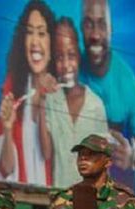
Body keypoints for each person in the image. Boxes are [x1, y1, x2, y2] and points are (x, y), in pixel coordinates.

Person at [79, 0, 135, 191]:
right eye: (88, 24)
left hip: (119, 190)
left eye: (102, 25)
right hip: (78, 186)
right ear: (81, 28)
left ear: (111, 30)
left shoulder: (126, 80)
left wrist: (132, 156)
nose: (95, 34)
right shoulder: (72, 67)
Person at [39, 16, 109, 187]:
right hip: (61, 197)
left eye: (71, 55)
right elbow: (46, 153)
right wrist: (41, 99)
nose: (66, 64)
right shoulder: (51, 101)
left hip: (90, 197)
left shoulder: (95, 105)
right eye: (59, 58)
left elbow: (105, 160)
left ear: (79, 55)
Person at [0, 1, 56, 185]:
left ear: (51, 42)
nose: (35, 42)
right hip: (22, 204)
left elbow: (48, 153)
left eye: (42, 33)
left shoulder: (60, 91)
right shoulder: (14, 91)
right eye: (29, 32)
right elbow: (7, 169)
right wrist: (7, 128)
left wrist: (44, 101)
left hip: (57, 205)